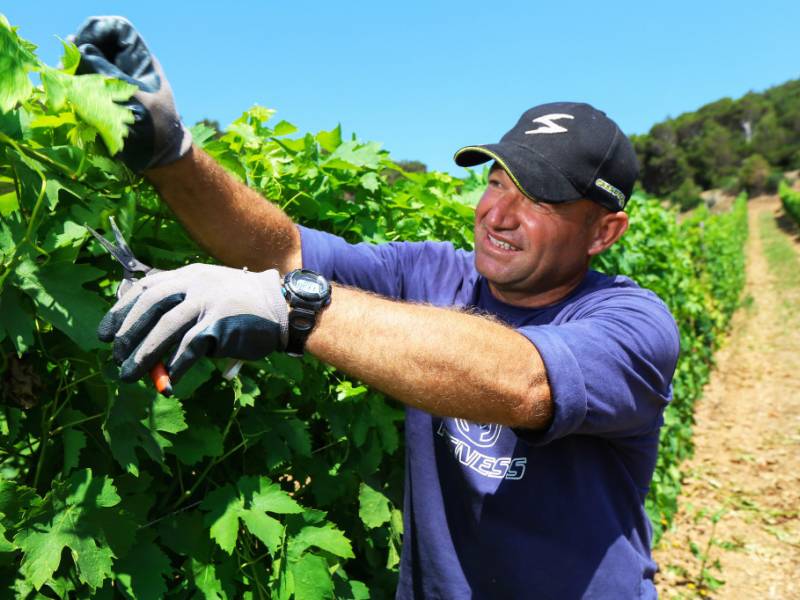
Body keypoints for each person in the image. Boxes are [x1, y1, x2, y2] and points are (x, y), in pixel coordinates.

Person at [74, 16, 680, 599]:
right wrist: (172, 154)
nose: (497, 215)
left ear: (605, 233)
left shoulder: (633, 325)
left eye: (539, 200)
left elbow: (522, 381)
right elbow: (283, 250)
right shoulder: (431, 272)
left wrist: (296, 312)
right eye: (496, 183)